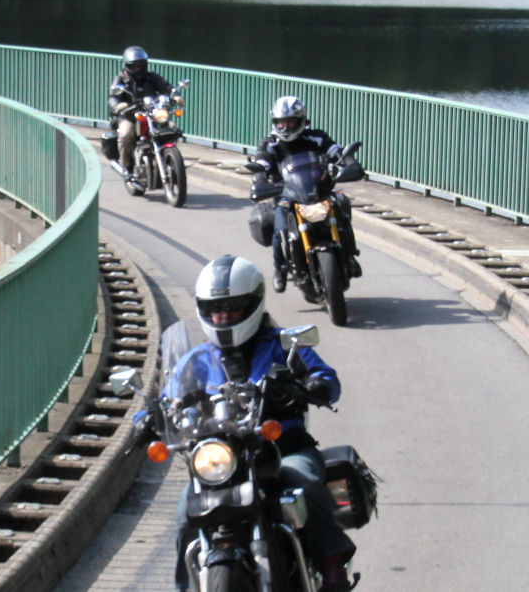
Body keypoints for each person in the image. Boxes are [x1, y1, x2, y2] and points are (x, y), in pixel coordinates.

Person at [167, 255, 354, 591]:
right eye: (214, 309)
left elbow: (326, 377)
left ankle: (332, 567)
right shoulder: (195, 359)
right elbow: (169, 397)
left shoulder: (284, 344)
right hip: (224, 460)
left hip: (282, 449)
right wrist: (146, 417)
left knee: (305, 486)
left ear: (253, 304)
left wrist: (314, 384)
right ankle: (185, 586)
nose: (222, 316)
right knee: (184, 511)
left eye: (233, 308)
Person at [255, 95, 362, 289]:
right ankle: (279, 268)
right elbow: (262, 163)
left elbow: (335, 152)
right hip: (288, 196)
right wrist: (260, 178)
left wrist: (347, 161)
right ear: (275, 122)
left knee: (342, 205)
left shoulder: (317, 137)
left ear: (301, 119)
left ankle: (350, 254)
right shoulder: (270, 144)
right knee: (280, 232)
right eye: (281, 122)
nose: (286, 127)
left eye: (290, 121)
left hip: (319, 190)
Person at [106, 46, 177, 182]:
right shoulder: (121, 80)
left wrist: (175, 96)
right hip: (129, 116)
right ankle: (126, 165)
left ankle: (171, 160)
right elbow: (113, 98)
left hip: (151, 114)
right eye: (135, 66)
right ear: (128, 66)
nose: (138, 68)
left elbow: (166, 87)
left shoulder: (152, 77)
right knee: (126, 134)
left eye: (141, 65)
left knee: (171, 127)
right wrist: (119, 105)